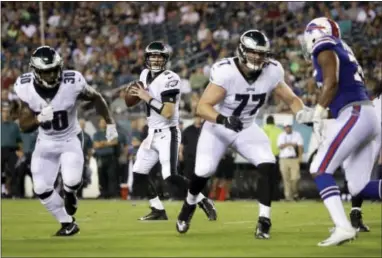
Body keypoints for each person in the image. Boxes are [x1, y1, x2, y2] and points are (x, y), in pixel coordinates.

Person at [176, 30, 311, 239]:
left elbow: (292, 100)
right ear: (241, 50)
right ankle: (189, 204)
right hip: (218, 126)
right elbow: (202, 107)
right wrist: (223, 119)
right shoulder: (226, 71)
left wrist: (302, 113)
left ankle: (264, 220)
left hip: (246, 127)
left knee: (267, 163)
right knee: (204, 170)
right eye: (252, 52)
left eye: (261, 53)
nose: (257, 57)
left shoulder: (273, 71)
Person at [13, 46, 118, 236]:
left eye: (54, 69)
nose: (52, 74)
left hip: (70, 138)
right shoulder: (25, 87)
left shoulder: (73, 81)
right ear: (35, 72)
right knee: (41, 188)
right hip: (45, 142)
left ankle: (70, 194)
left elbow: (96, 97)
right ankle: (67, 223)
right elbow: (23, 125)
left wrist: (110, 123)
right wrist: (37, 119)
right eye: (46, 71)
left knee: (71, 181)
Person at [298, 17, 381, 246]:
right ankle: (343, 225)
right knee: (359, 187)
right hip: (364, 114)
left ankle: (344, 227)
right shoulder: (342, 48)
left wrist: (318, 111)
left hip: (354, 113)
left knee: (320, 168)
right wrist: (315, 111)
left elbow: (331, 83)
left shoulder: (324, 44)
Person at [128, 41, 216, 221]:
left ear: (165, 59)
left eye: (159, 56)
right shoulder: (144, 74)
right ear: (146, 58)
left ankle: (202, 200)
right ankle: (158, 210)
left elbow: (168, 112)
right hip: (151, 132)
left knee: (171, 176)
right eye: (152, 55)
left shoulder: (171, 78)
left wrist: (146, 97)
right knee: (139, 173)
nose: (155, 59)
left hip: (168, 132)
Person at [277, 123, 303, 201]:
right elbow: (280, 146)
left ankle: (295, 194)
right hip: (283, 159)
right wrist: (291, 144)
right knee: (286, 178)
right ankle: (288, 197)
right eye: (286, 127)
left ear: (291, 127)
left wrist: (300, 157)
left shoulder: (297, 135)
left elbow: (300, 146)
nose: (288, 128)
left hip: (294, 159)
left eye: (289, 127)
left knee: (295, 178)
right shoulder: (281, 135)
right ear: (284, 128)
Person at [1, 107, 22, 197]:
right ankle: (2, 191)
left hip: (12, 150)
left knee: (14, 172)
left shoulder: (14, 126)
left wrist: (20, 151)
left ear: (10, 113)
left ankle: (14, 193)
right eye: (4, 112)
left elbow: (19, 140)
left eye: (7, 112)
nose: (5, 114)